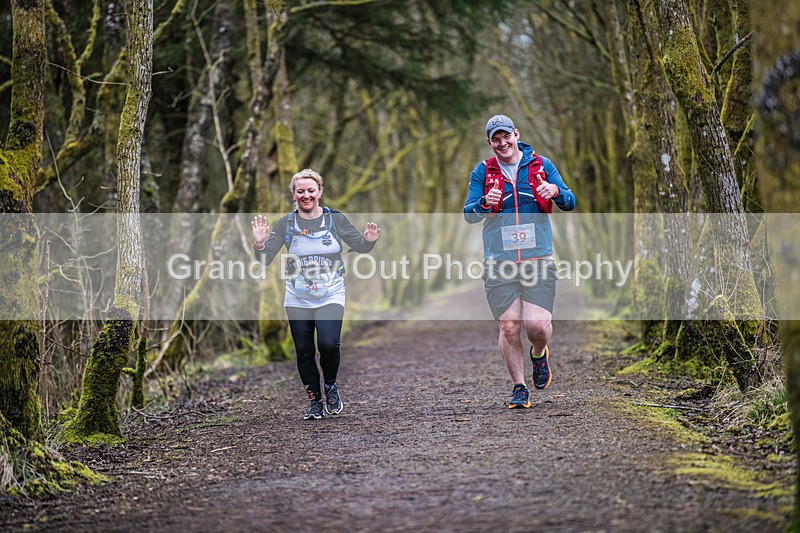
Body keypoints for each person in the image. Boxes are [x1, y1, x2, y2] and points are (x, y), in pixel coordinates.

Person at [463, 114, 576, 409]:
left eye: (506, 136)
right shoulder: (483, 171)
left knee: (536, 325)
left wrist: (555, 192)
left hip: (538, 258)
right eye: (495, 139)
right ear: (489, 143)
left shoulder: (541, 165)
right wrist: (485, 202)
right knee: (510, 326)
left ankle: (539, 353)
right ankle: (519, 386)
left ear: (516, 134)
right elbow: (469, 214)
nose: (502, 143)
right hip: (499, 262)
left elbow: (570, 200)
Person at [251, 168, 380, 420]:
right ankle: (314, 400)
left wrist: (369, 240)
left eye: (311, 190)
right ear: (294, 194)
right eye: (301, 191)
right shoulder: (286, 224)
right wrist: (259, 243)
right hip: (297, 297)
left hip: (331, 293)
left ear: (320, 192)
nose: (306, 195)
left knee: (328, 344)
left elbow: (361, 247)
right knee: (304, 351)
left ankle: (330, 385)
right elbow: (265, 259)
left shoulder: (335, 219)